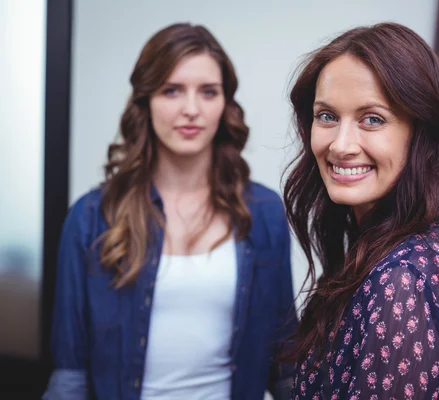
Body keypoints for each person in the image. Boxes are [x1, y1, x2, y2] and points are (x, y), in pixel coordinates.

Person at [43, 23, 297, 400]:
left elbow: (285, 363)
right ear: (146, 101)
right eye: (172, 90)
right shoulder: (90, 217)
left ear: (225, 103)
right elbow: (70, 377)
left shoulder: (264, 212)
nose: (191, 110)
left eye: (208, 92)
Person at [283, 22, 439, 399]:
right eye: (327, 116)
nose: (341, 145)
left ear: (421, 133)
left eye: (373, 119)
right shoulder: (426, 238)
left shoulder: (403, 278)